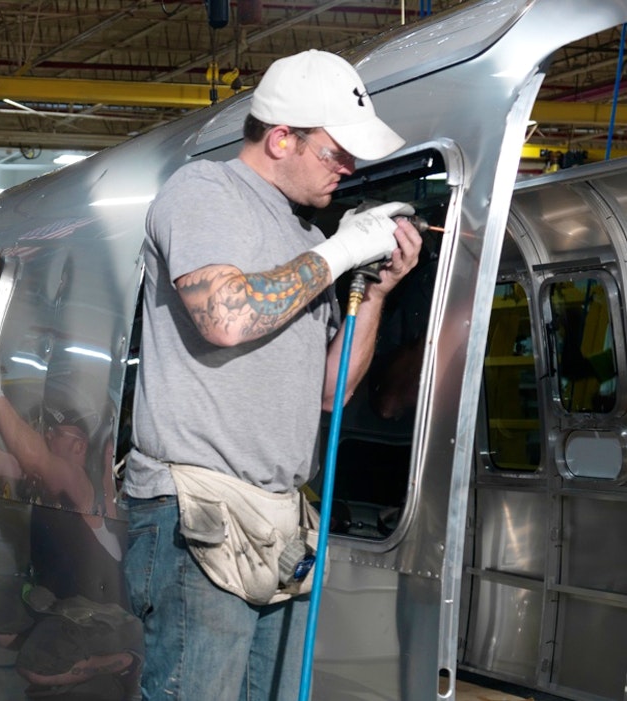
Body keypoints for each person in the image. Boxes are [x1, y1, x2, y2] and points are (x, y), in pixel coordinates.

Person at [123, 49, 423, 700]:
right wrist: (340, 250)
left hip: (277, 526)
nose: (348, 169)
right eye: (335, 152)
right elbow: (225, 317)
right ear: (282, 138)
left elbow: (331, 392)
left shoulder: (300, 237)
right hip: (199, 519)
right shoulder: (203, 192)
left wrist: (374, 289)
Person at [0, 364, 141, 698]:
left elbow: (37, 460)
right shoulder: (44, 479)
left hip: (97, 611)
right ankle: (51, 651)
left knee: (35, 668)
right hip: (53, 599)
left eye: (53, 433)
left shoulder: (81, 484)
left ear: (79, 445)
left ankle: (124, 661)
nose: (44, 436)